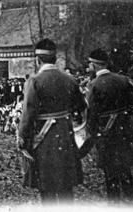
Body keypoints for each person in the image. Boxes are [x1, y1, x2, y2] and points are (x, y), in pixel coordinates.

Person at [18, 39, 86, 202]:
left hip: (44, 138)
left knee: (47, 185)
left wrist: (22, 138)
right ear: (55, 59)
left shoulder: (34, 81)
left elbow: (28, 114)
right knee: (66, 183)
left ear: (38, 60)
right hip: (65, 133)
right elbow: (80, 106)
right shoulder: (69, 79)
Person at [86, 48, 133, 202]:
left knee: (110, 173)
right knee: (126, 168)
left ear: (95, 65)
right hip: (124, 132)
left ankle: (114, 205)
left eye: (90, 64)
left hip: (106, 134)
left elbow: (91, 114)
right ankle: (131, 201)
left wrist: (93, 134)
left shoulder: (94, 85)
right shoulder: (123, 79)